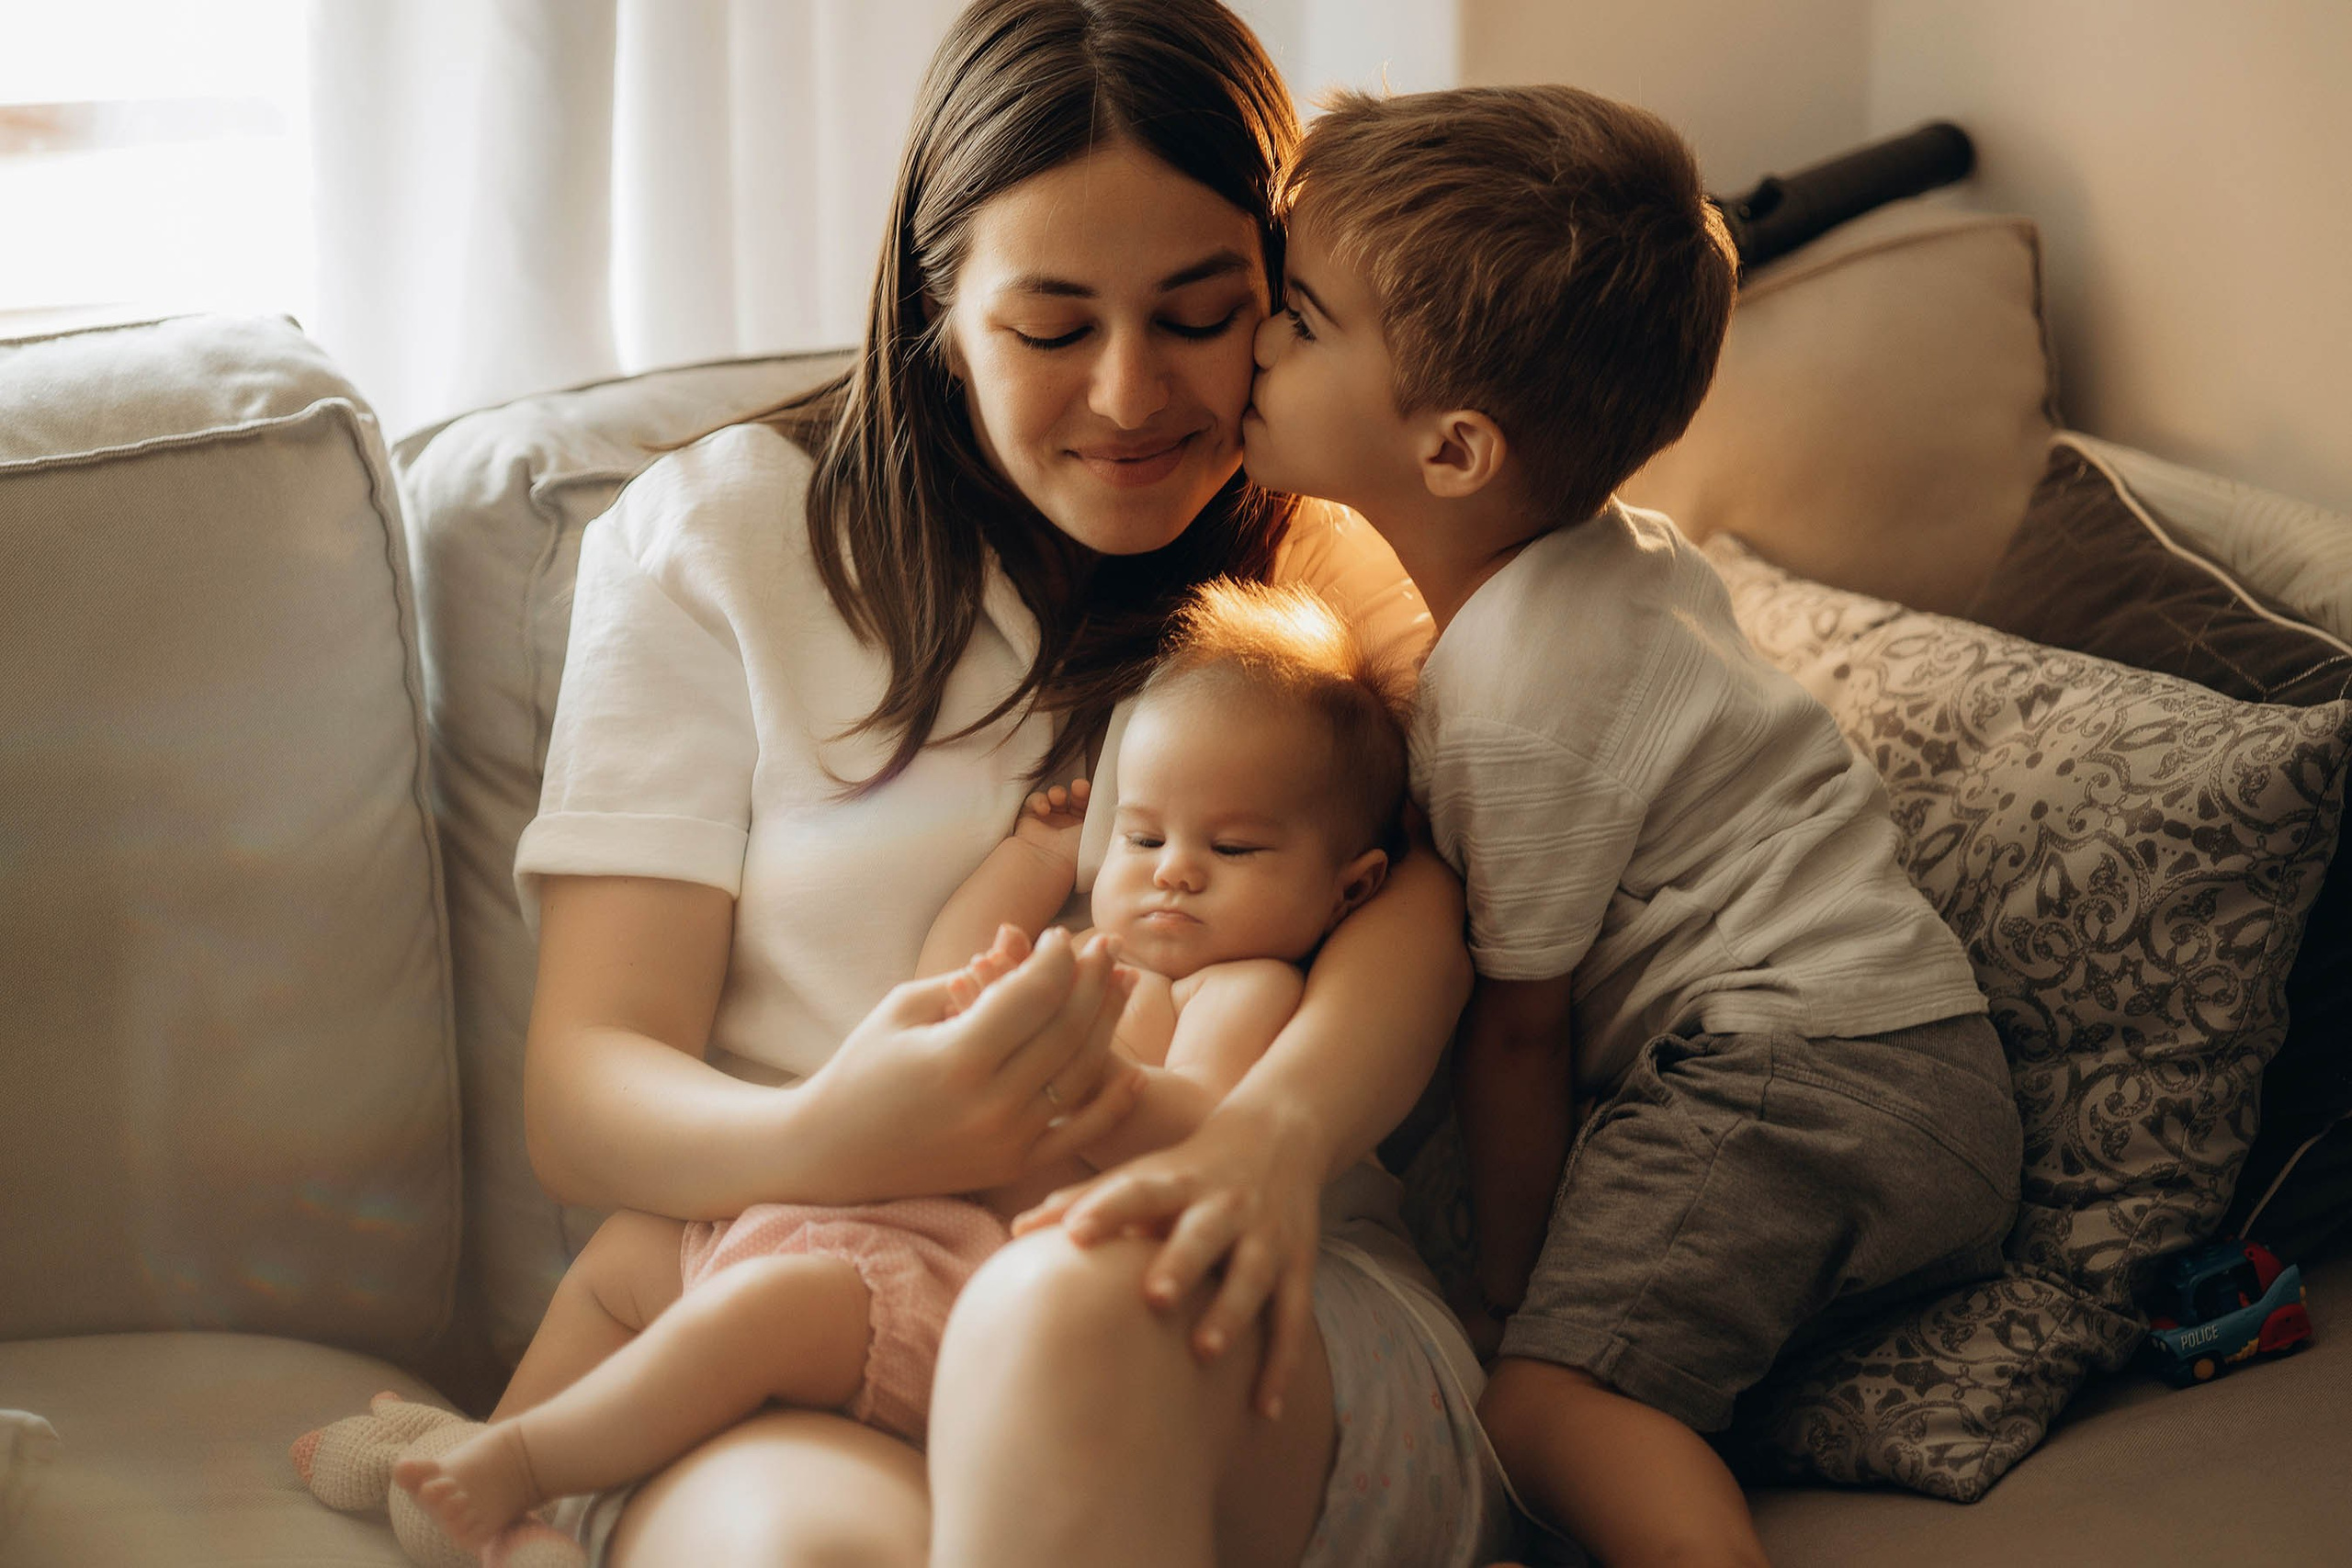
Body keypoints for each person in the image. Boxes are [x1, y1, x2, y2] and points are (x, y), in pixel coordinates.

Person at [501, 2, 1511, 1563]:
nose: (1130, 395)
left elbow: (1432, 908)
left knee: (1060, 1314)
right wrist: (838, 1133)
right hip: (820, 1280)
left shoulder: (1330, 546)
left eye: (1200, 315)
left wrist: (1265, 1137)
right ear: (940, 307)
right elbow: (586, 1084)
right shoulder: (717, 541)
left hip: (1241, 1293)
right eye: (1052, 329)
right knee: (801, 1553)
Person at [1242, 84, 2024, 1566]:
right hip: (1902, 1064)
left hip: (1810, 1079)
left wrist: (1511, 1298)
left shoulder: (1513, 700)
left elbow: (1519, 1031)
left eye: (1300, 318)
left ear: (1455, 451)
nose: (1256, 343)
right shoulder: (1616, 557)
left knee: (1541, 1409)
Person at [390, 580, 1413, 1552]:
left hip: (955, 1282)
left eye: (1233, 850)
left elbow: (1205, 1129)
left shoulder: (1239, 989)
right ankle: (485, 1461)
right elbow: (946, 970)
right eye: (1142, 836)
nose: (1175, 871)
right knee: (630, 1251)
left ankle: (527, 1464)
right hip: (876, 1222)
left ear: (1349, 887)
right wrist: (1029, 866)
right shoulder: (1088, 952)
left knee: (768, 1310)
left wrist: (1101, 1086)